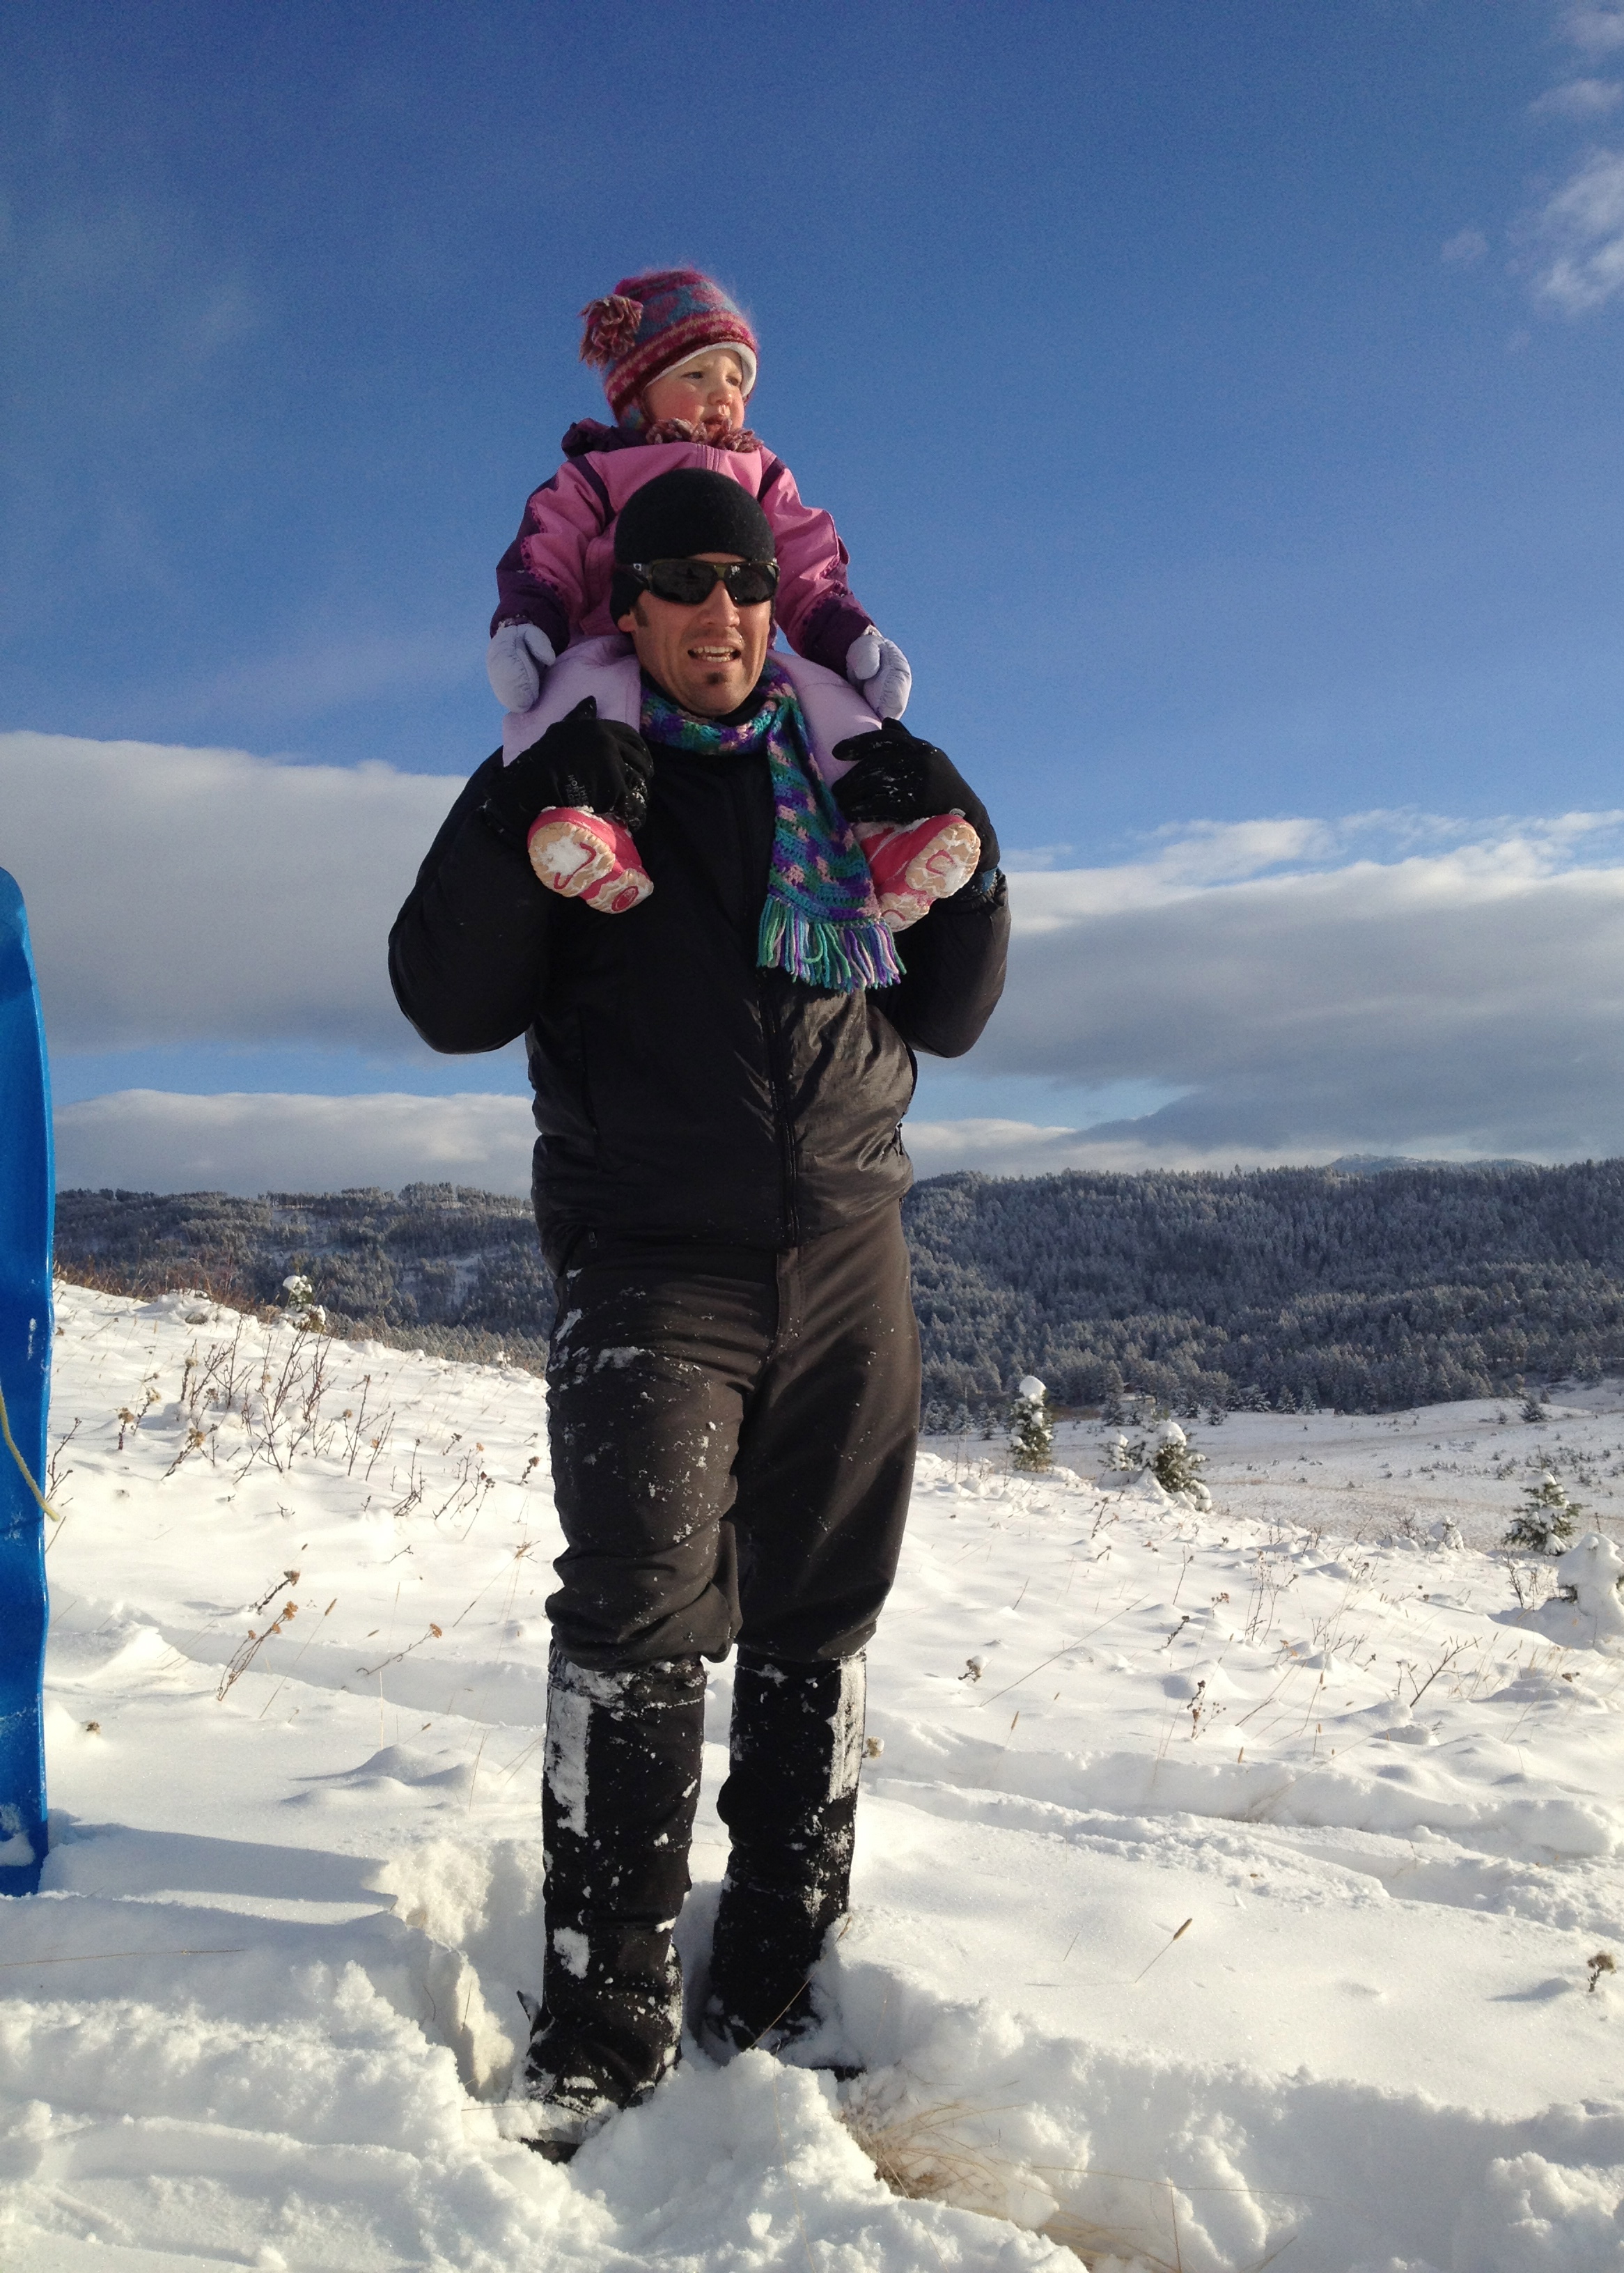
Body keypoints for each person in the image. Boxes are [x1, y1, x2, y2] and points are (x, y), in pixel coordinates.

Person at [390, 466, 1008, 2157]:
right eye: (679, 586)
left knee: (821, 1616)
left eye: (742, 585)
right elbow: (441, 996)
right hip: (652, 1262)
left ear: (768, 600)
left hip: (849, 1251)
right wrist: (518, 824)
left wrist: (967, 849)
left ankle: (777, 1987)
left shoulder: (840, 770)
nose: (718, 615)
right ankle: (603, 2024)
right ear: (631, 607)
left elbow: (951, 1012)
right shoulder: (579, 766)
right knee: (637, 1618)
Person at [486, 266, 973, 929]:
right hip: (616, 635)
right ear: (637, 394)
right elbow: (550, 543)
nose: (723, 394)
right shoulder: (602, 471)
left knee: (828, 700)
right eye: (696, 375)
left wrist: (845, 634)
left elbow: (806, 561)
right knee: (576, 701)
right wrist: (530, 618)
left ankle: (881, 833)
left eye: (736, 380)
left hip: (738, 646)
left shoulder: (761, 472)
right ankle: (589, 823)